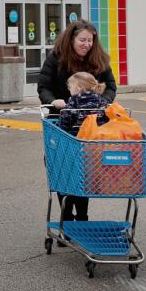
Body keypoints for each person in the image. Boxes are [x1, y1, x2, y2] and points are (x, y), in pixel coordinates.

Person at [38, 19, 117, 223]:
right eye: (82, 40)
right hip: (61, 121)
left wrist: (103, 102)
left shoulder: (98, 59)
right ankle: (66, 215)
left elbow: (110, 86)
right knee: (63, 168)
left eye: (90, 40)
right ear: (71, 39)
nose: (86, 44)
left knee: (83, 171)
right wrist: (52, 101)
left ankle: (82, 218)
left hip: (89, 124)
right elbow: (44, 86)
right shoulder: (57, 58)